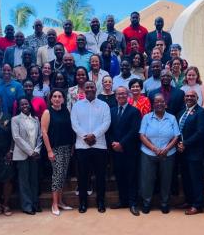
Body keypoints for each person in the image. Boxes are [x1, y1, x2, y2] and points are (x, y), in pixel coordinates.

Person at [71, 81, 111, 213]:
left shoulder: (104, 105)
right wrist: (85, 136)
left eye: (92, 87)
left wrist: (93, 135)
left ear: (95, 89)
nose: (89, 89)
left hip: (99, 145)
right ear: (84, 89)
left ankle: (101, 202)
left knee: (100, 176)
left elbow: (106, 123)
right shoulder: (77, 106)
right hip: (82, 146)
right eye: (87, 87)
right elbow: (74, 124)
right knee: (82, 177)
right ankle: (83, 203)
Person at [139, 94, 180, 214]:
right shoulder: (146, 117)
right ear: (153, 105)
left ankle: (164, 203)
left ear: (165, 104)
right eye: (156, 102)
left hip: (168, 154)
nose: (159, 104)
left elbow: (176, 136)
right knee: (147, 179)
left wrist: (166, 149)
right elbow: (142, 135)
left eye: (162, 101)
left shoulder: (172, 118)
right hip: (148, 153)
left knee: (166, 179)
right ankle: (146, 203)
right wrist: (153, 148)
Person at [41, 89, 76, 216]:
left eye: (59, 96)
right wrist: (49, 150)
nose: (57, 98)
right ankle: (54, 203)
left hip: (66, 147)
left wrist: (71, 146)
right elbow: (44, 132)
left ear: (63, 99)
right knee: (57, 176)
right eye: (54, 96)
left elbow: (69, 130)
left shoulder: (66, 111)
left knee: (63, 176)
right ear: (50, 99)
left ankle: (60, 201)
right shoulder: (47, 112)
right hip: (55, 149)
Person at [107, 87, 141, 216]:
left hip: (130, 150)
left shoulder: (135, 111)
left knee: (131, 177)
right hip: (115, 151)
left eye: (123, 93)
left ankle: (133, 203)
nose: (120, 95)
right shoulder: (111, 111)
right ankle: (123, 201)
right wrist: (113, 144)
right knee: (119, 176)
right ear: (115, 96)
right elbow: (108, 130)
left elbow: (134, 130)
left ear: (128, 95)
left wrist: (122, 143)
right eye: (118, 94)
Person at [176, 89, 204, 215]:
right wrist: (179, 143)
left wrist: (185, 143)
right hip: (182, 152)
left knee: (196, 179)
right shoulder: (181, 112)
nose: (189, 98)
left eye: (192, 96)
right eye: (187, 96)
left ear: (197, 98)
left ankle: (197, 205)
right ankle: (189, 201)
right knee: (186, 178)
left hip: (194, 152)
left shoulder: (201, 112)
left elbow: (200, 132)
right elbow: (178, 130)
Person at [12, 98, 43, 215]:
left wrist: (37, 151)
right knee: (24, 181)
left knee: (34, 180)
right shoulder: (15, 120)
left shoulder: (36, 119)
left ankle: (35, 203)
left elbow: (40, 137)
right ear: (19, 107)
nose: (25, 105)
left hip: (35, 155)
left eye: (26, 104)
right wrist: (30, 152)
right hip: (22, 155)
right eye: (22, 104)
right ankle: (27, 205)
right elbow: (16, 138)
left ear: (30, 105)